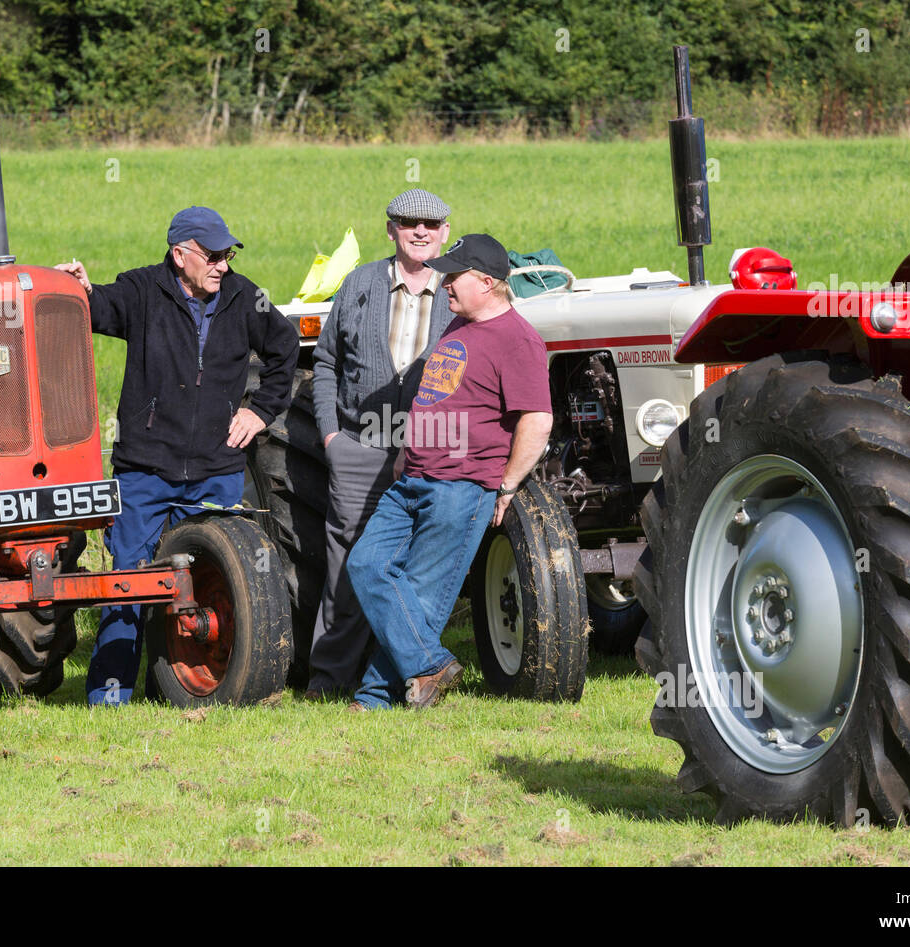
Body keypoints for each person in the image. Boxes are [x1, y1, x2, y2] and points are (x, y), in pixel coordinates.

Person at [55, 206, 298, 705]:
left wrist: (261, 412)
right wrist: (78, 288)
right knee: (128, 582)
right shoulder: (142, 289)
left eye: (227, 254)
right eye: (212, 255)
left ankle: (180, 688)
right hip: (145, 469)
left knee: (203, 581)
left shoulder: (245, 296)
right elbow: (96, 307)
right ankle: (109, 695)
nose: (222, 265)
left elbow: (285, 345)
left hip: (217, 471)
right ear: (179, 254)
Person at [346, 234, 553, 710]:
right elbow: (437, 394)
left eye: (454, 275)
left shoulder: (519, 340)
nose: (443, 284)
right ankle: (430, 665)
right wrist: (405, 452)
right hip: (414, 477)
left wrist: (505, 485)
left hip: (462, 487)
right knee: (367, 565)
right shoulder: (459, 326)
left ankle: (376, 697)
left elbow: (537, 420)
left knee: (420, 594)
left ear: (487, 282)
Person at [306, 188, 456, 699]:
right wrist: (331, 435)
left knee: (412, 569)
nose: (420, 232)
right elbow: (325, 362)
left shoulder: (459, 293)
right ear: (390, 228)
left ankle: (392, 680)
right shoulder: (360, 283)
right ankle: (329, 680)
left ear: (445, 235)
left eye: (430, 226)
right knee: (346, 567)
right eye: (409, 223)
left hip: (428, 452)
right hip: (358, 447)